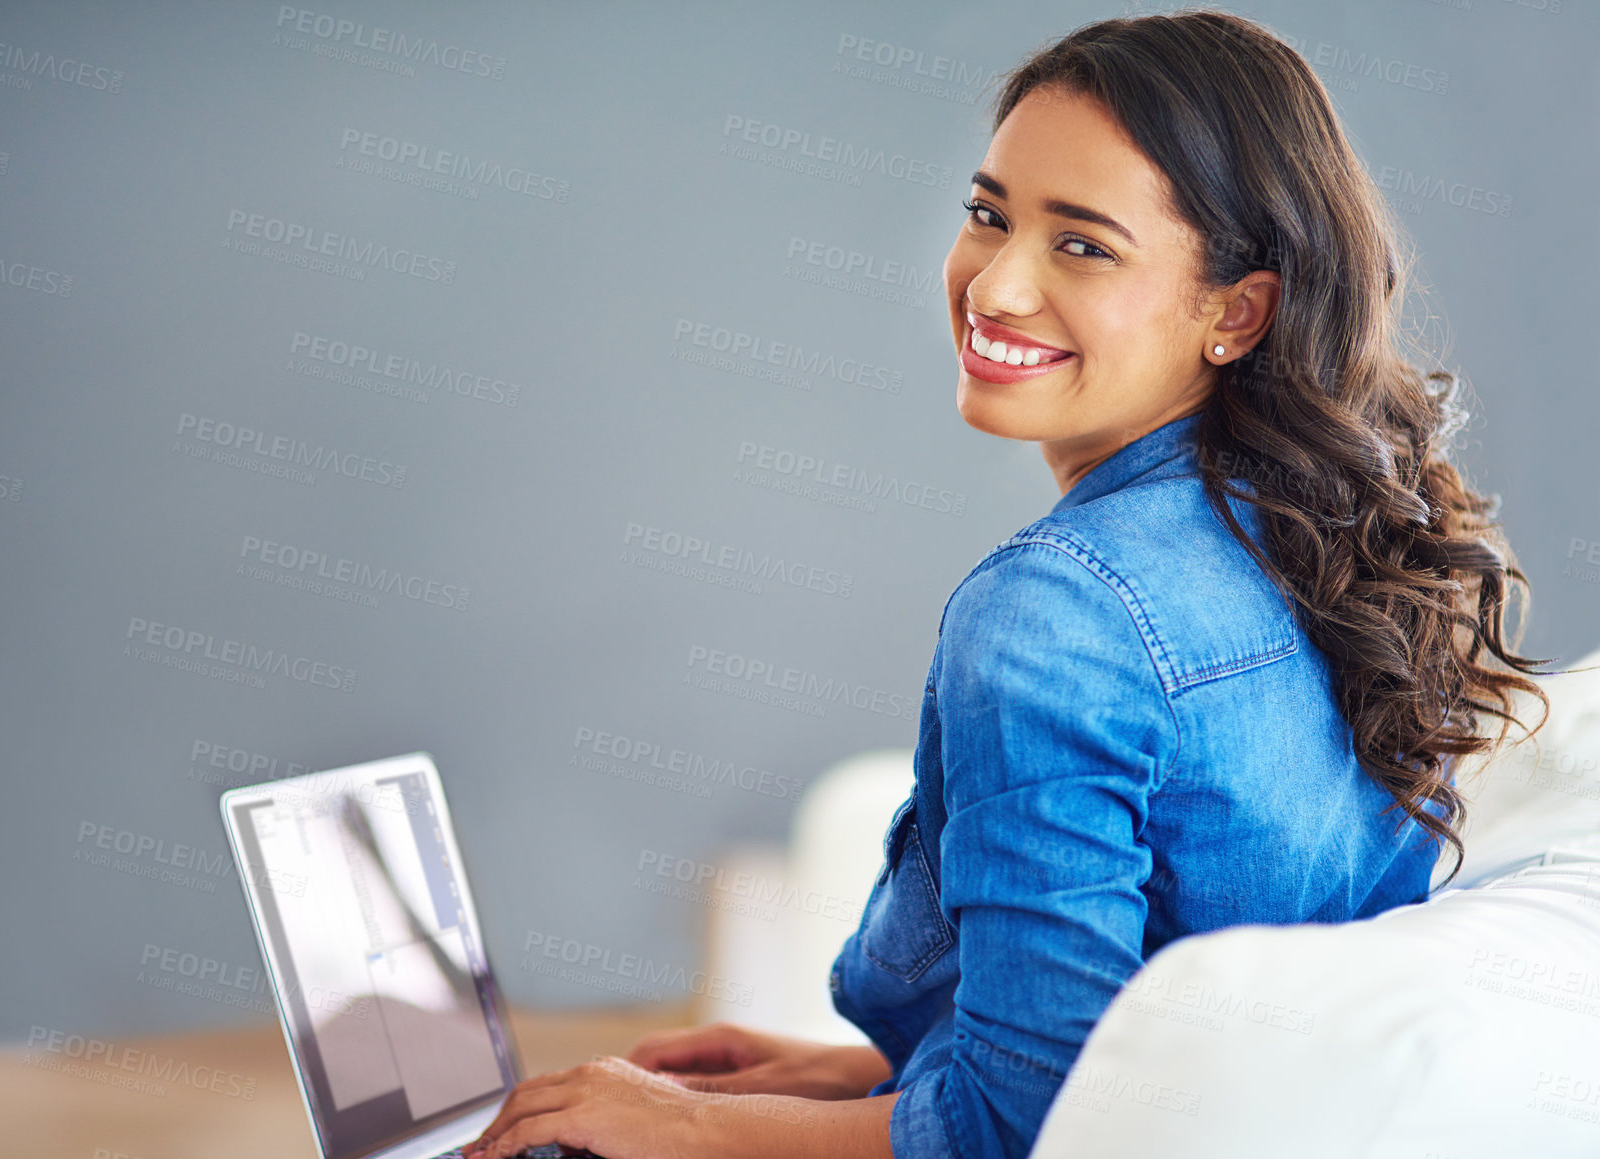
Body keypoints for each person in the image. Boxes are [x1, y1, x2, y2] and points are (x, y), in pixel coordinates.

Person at [464, 10, 1547, 1157]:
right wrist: (847, 1078)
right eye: (990, 215)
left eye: (1082, 245)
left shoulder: (1057, 612)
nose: (996, 286)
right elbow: (1172, 1009)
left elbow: (1018, 1129)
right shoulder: (1315, 544)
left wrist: (689, 1131)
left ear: (1237, 311)